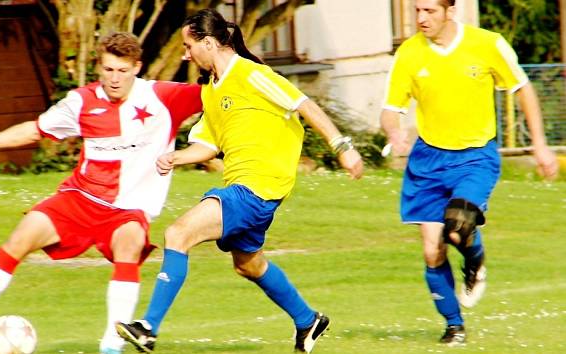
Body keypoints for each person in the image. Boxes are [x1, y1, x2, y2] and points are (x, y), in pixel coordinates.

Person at [115, 8, 364, 354]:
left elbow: (304, 105)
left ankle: (147, 329)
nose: (185, 54)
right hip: (248, 188)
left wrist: (343, 147)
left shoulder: (250, 74)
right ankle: (308, 320)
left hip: (256, 187)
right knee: (248, 265)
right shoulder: (212, 89)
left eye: (189, 46)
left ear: (210, 42)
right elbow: (208, 145)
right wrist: (177, 156)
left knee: (177, 234)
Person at [0, 32, 203, 354]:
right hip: (79, 198)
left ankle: (111, 346)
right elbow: (37, 130)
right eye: (108, 70)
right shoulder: (81, 101)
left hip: (128, 209)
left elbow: (222, 92)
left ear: (137, 67)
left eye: (122, 71)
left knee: (130, 245)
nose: (115, 79)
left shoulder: (164, 97)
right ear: (98, 68)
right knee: (21, 237)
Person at [379, 0, 558, 346]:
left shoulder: (488, 43)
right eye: (416, 10)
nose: (420, 18)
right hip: (427, 161)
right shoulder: (409, 54)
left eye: (429, 11)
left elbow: (523, 88)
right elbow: (390, 108)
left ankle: (475, 263)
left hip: (475, 156)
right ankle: (454, 326)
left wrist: (539, 144)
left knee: (459, 224)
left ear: (450, 11)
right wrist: (394, 131)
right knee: (433, 250)